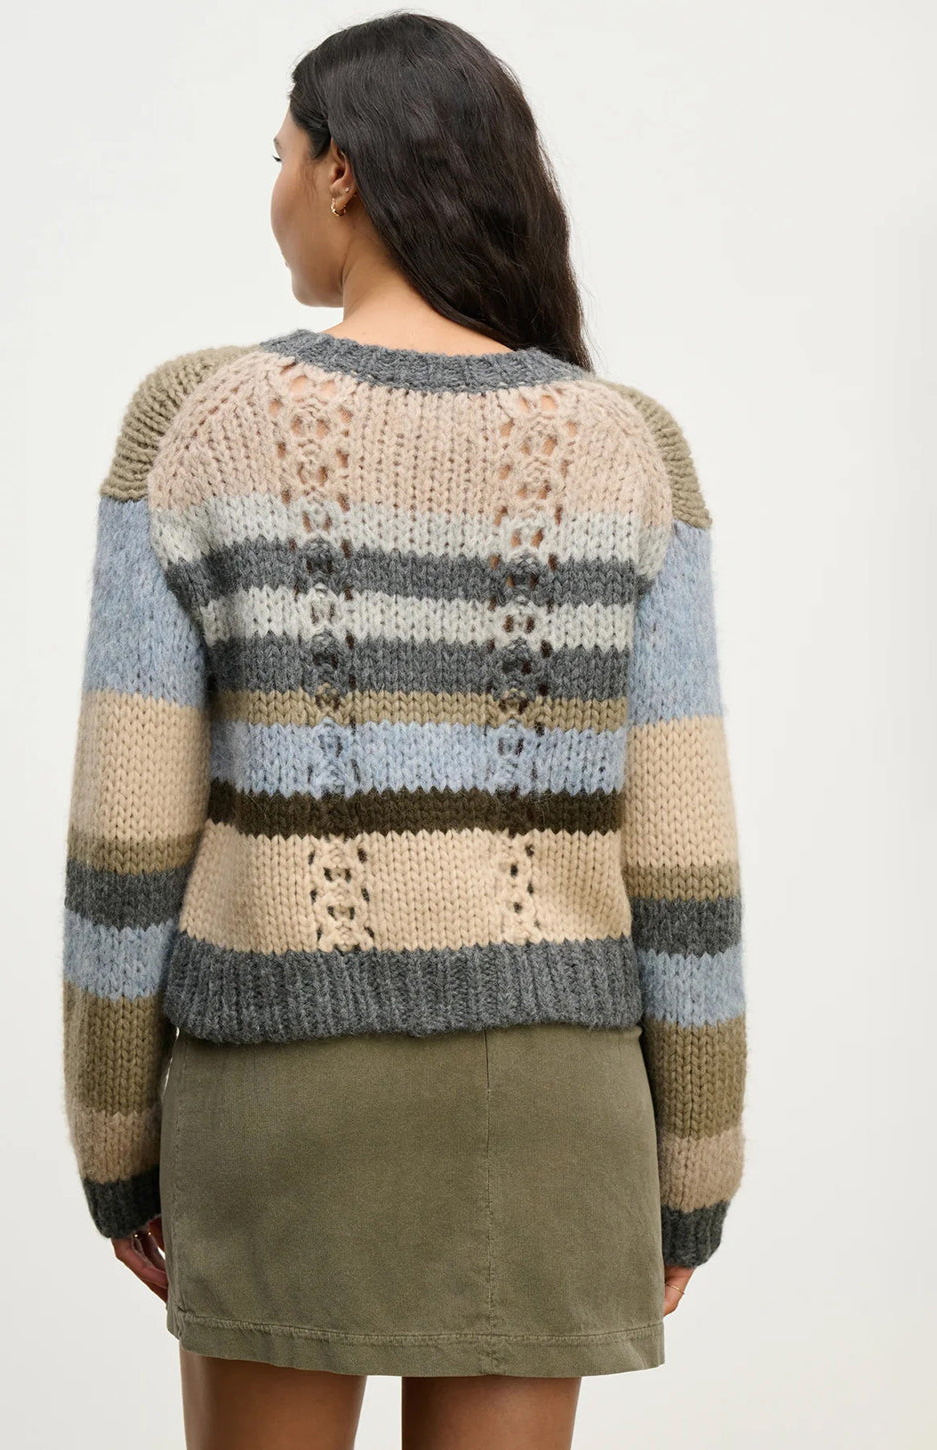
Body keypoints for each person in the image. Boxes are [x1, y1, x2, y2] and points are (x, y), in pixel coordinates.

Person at [61, 13, 747, 1449]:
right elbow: (684, 856)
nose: (273, 192)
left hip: (279, 1093)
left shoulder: (192, 422)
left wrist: (114, 1139)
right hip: (554, 1107)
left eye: (277, 156)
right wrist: (694, 1166)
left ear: (340, 171)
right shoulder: (631, 446)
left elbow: (128, 836)